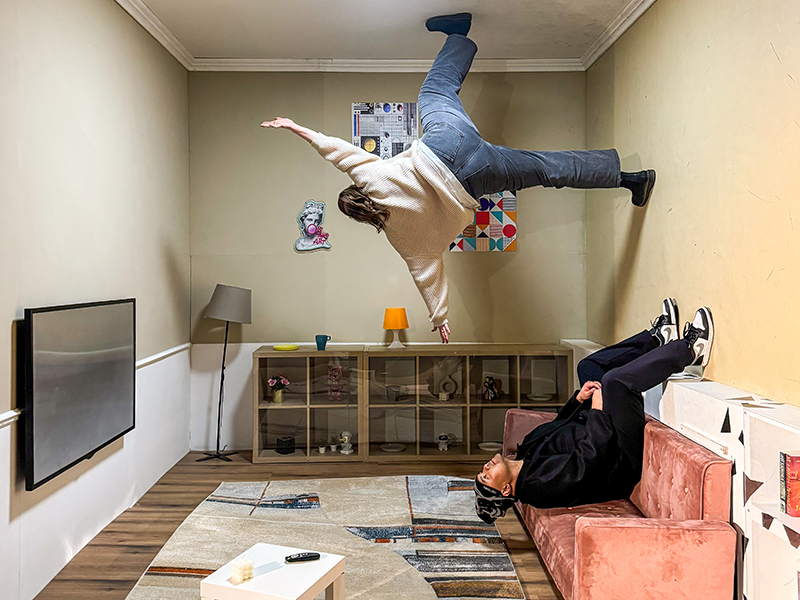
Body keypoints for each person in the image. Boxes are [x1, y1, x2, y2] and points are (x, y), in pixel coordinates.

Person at [261, 13, 656, 344]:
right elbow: (334, 150)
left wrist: (440, 317)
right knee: (436, 90)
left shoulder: (402, 239)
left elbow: (427, 274)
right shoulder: (370, 176)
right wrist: (294, 127)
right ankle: (459, 34)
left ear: (362, 219)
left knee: (545, 168)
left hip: (477, 180)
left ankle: (631, 179)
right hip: (446, 145)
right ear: (357, 193)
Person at [473, 299, 714, 524]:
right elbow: (590, 460)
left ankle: (657, 339)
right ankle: (691, 350)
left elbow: (559, 425)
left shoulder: (524, 455)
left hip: (599, 432)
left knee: (588, 367)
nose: (485, 468)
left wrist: (579, 400)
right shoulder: (539, 486)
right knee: (615, 382)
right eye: (487, 476)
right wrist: (597, 410)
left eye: (482, 472)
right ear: (505, 489)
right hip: (618, 456)